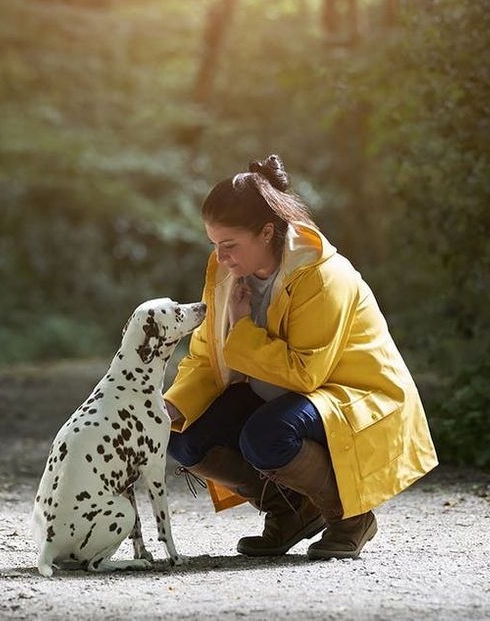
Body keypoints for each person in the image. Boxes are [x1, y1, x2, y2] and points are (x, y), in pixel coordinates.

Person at [163, 154, 437, 560]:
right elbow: (206, 356)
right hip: (280, 394)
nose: (221, 258)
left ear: (268, 232)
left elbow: (306, 374)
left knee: (266, 435)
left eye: (230, 245)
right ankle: (291, 512)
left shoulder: (324, 275)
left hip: (349, 395)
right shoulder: (224, 273)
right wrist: (167, 408)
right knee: (183, 436)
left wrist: (241, 331)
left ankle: (351, 516)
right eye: (214, 245)